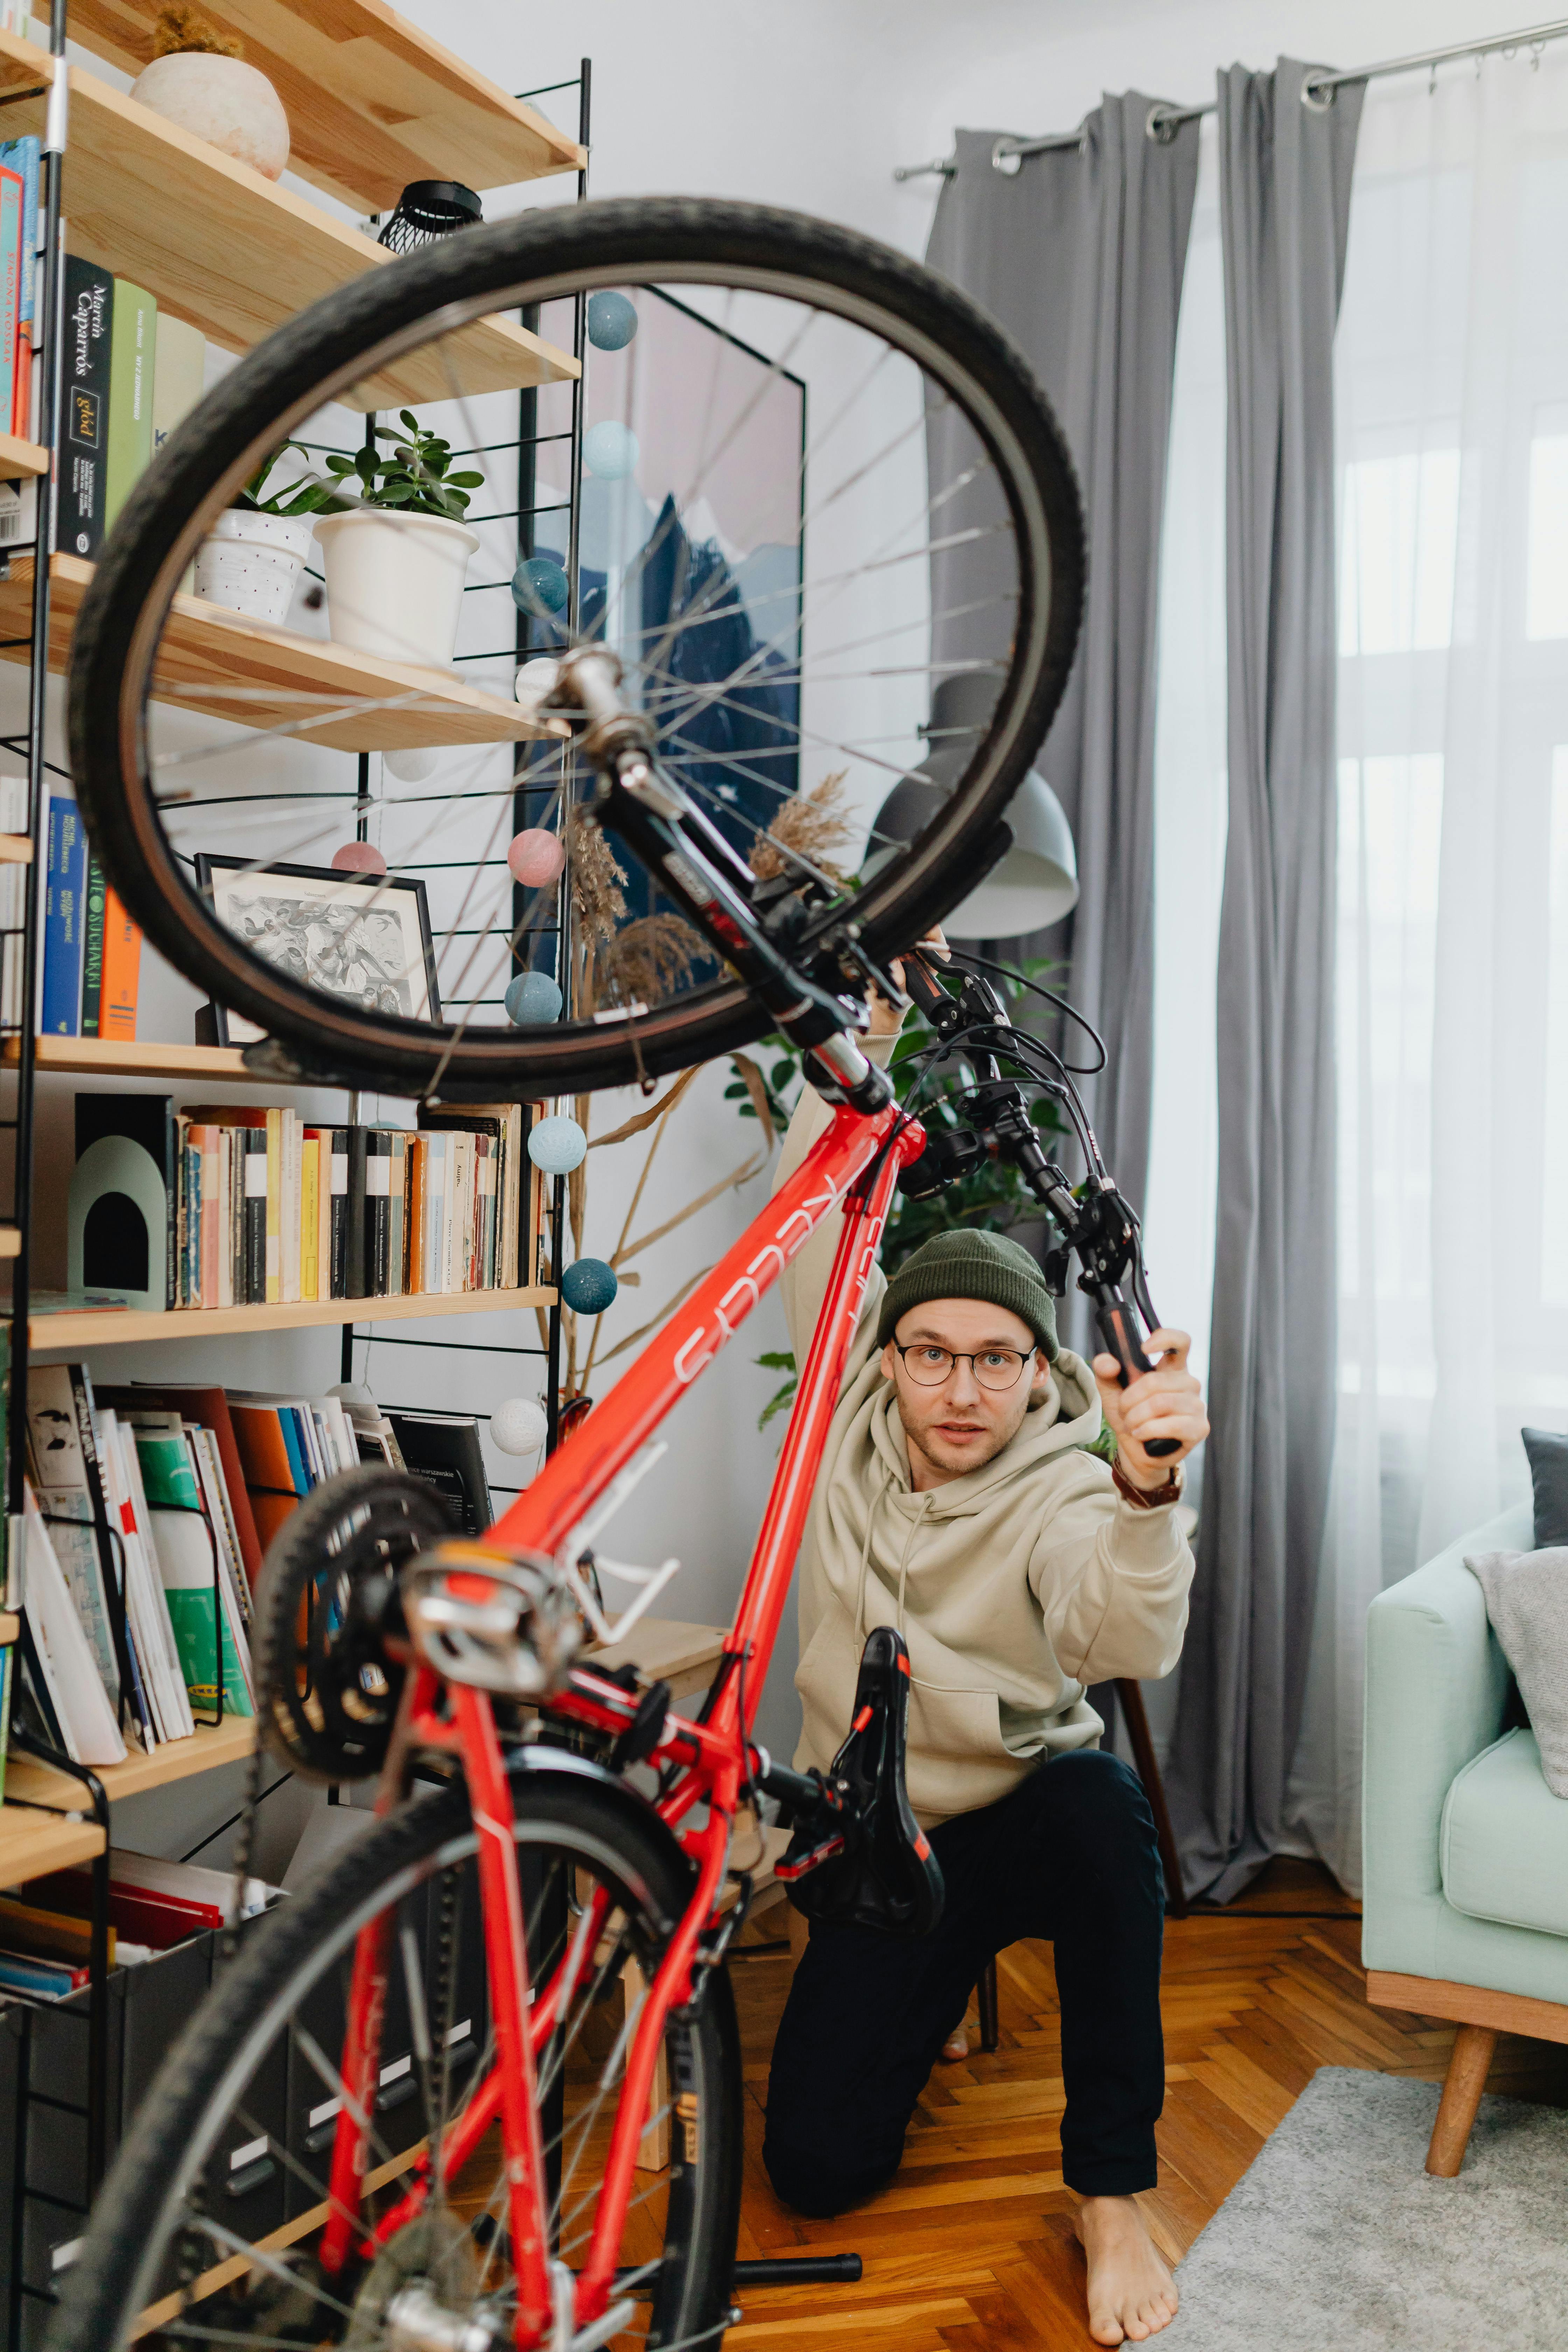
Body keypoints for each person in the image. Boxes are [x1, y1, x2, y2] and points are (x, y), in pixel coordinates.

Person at [761, 976, 1209, 2348]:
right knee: (817, 2174)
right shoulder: (842, 1425)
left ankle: (1110, 2192)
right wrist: (866, 1035)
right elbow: (804, 1231)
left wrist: (1143, 1495)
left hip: (1018, 1816)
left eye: (995, 1362)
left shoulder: (1068, 1480)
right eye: (931, 1356)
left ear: (1038, 1369)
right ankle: (937, 1987)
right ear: (887, 1358)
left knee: (1100, 1812)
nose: (961, 1390)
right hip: (884, 1845)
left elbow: (1121, 1637)